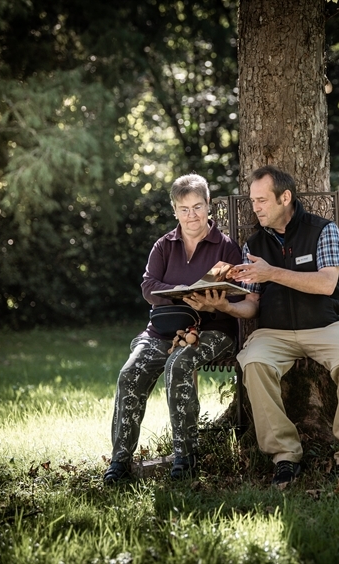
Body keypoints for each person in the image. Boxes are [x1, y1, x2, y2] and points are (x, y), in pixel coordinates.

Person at [191, 165, 339, 486]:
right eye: (252, 200)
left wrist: (271, 272)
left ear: (284, 197)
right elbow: (252, 305)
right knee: (254, 362)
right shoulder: (254, 245)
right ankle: (285, 455)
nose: (255, 207)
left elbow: (326, 284)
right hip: (273, 332)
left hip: (325, 326)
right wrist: (224, 306)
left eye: (261, 200)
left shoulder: (323, 230)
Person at [103, 174, 242, 484]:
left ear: (209, 206)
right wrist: (181, 289)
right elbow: (148, 286)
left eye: (197, 207)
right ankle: (120, 462)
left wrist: (213, 299)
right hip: (164, 328)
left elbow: (237, 290)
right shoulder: (164, 245)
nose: (191, 216)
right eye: (183, 209)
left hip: (214, 328)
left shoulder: (226, 247)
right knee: (130, 374)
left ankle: (186, 457)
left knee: (178, 364)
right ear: (174, 210)